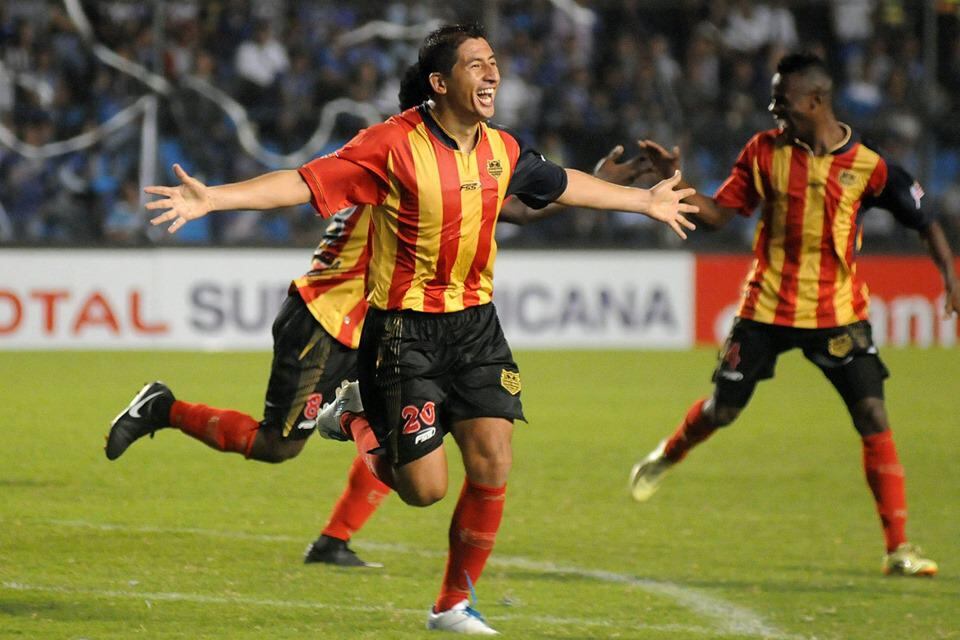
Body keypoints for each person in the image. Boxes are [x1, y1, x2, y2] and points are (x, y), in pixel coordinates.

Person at [111, 23, 698, 635]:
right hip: (381, 326)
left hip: (474, 327)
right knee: (397, 481)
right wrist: (215, 200)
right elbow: (302, 181)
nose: (492, 73)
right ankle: (349, 418)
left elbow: (541, 190)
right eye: (477, 64)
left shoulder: (498, 147)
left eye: (494, 62)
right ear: (440, 84)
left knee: (494, 459)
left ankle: (451, 605)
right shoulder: (389, 148)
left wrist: (642, 200)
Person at [105, 144, 652, 570]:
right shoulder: (389, 173)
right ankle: (164, 407)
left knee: (405, 433)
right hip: (323, 320)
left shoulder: (433, 178)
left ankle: (334, 537)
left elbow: (514, 211)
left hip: (378, 326)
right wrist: (218, 197)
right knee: (276, 446)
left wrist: (596, 183)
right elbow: (300, 184)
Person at [629, 52, 959, 578]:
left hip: (838, 315)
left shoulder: (869, 167)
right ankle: (668, 454)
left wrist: (949, 276)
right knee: (724, 410)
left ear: (816, 101)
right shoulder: (764, 151)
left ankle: (899, 548)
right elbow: (716, 216)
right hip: (766, 308)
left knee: (873, 416)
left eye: (781, 99)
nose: (771, 106)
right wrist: (678, 181)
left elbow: (924, 218)